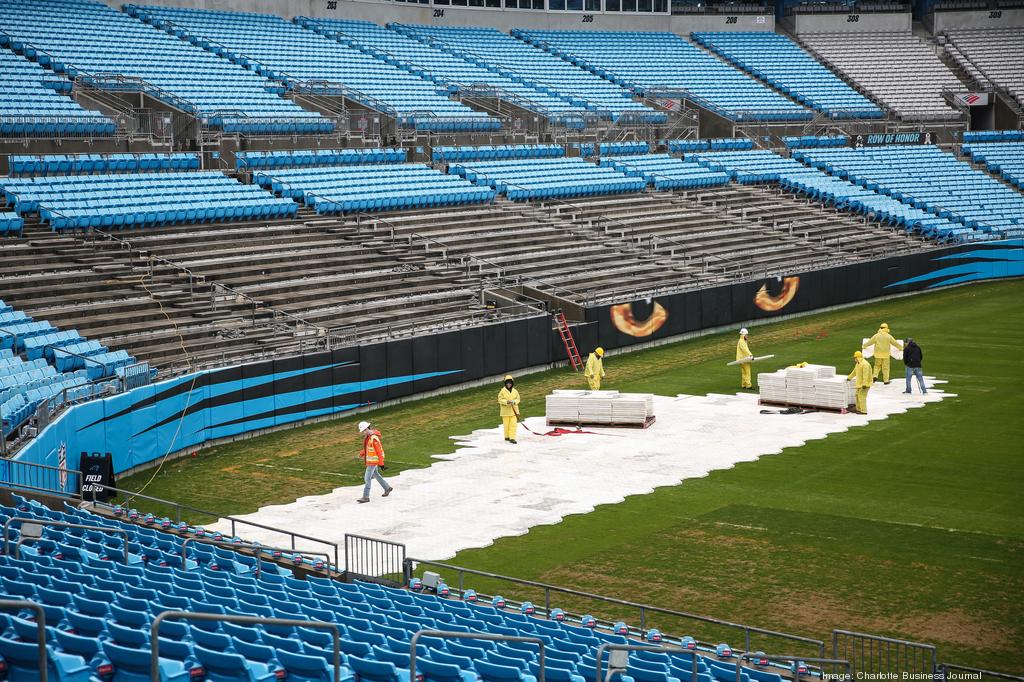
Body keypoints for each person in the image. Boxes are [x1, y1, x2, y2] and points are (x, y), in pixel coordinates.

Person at [357, 420, 392, 503]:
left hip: (373, 462)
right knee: (376, 475)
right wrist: (362, 453)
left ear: (367, 429)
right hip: (371, 461)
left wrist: (381, 464)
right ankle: (387, 488)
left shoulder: (373, 438)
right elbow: (368, 448)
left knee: (367, 478)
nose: (363, 433)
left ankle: (366, 497)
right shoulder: (369, 437)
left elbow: (379, 452)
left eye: (363, 431)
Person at [847, 350, 872, 414]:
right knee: (857, 396)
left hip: (865, 385)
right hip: (859, 384)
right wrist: (849, 378)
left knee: (862, 397)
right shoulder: (858, 364)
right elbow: (854, 372)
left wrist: (864, 384)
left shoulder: (865, 364)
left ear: (857, 357)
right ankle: (858, 409)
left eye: (855, 358)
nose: (854, 359)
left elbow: (865, 375)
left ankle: (863, 411)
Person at [498, 375, 521, 444]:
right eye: (507, 383)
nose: (509, 384)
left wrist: (514, 402)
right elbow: (500, 400)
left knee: (513, 425)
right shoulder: (502, 391)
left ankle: (512, 438)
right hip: (505, 412)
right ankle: (507, 436)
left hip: (514, 412)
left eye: (510, 383)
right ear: (505, 383)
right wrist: (506, 402)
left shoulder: (515, 391)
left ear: (512, 383)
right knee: (506, 425)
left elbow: (518, 399)